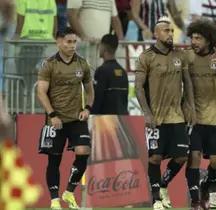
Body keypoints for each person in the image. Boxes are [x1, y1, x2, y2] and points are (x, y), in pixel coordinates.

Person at [135, 16, 196, 210]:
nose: (170, 34)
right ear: (156, 33)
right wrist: (146, 113)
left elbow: (187, 83)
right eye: (166, 31)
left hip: (176, 116)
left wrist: (191, 106)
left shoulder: (180, 55)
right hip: (156, 117)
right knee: (155, 158)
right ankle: (156, 200)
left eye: (171, 31)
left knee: (181, 156)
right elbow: (138, 88)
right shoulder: (146, 57)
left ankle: (162, 186)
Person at [37, 27, 94, 210]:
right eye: (68, 42)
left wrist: (87, 108)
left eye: (74, 42)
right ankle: (54, 200)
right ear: (58, 42)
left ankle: (69, 191)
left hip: (77, 118)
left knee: (83, 151)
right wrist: (52, 115)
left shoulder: (82, 63)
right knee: (54, 160)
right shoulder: (49, 64)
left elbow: (90, 89)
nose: (72, 46)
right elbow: (41, 92)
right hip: (56, 119)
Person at [183, 18, 216, 210]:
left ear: (209, 40)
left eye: (198, 38)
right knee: (194, 157)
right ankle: (195, 200)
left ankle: (206, 187)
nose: (194, 41)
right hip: (195, 118)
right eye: (192, 37)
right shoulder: (186, 57)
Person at [92, 34, 128, 115]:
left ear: (103, 47)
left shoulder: (102, 71)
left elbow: (97, 99)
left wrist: (91, 116)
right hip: (122, 120)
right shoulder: (123, 72)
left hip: (105, 121)